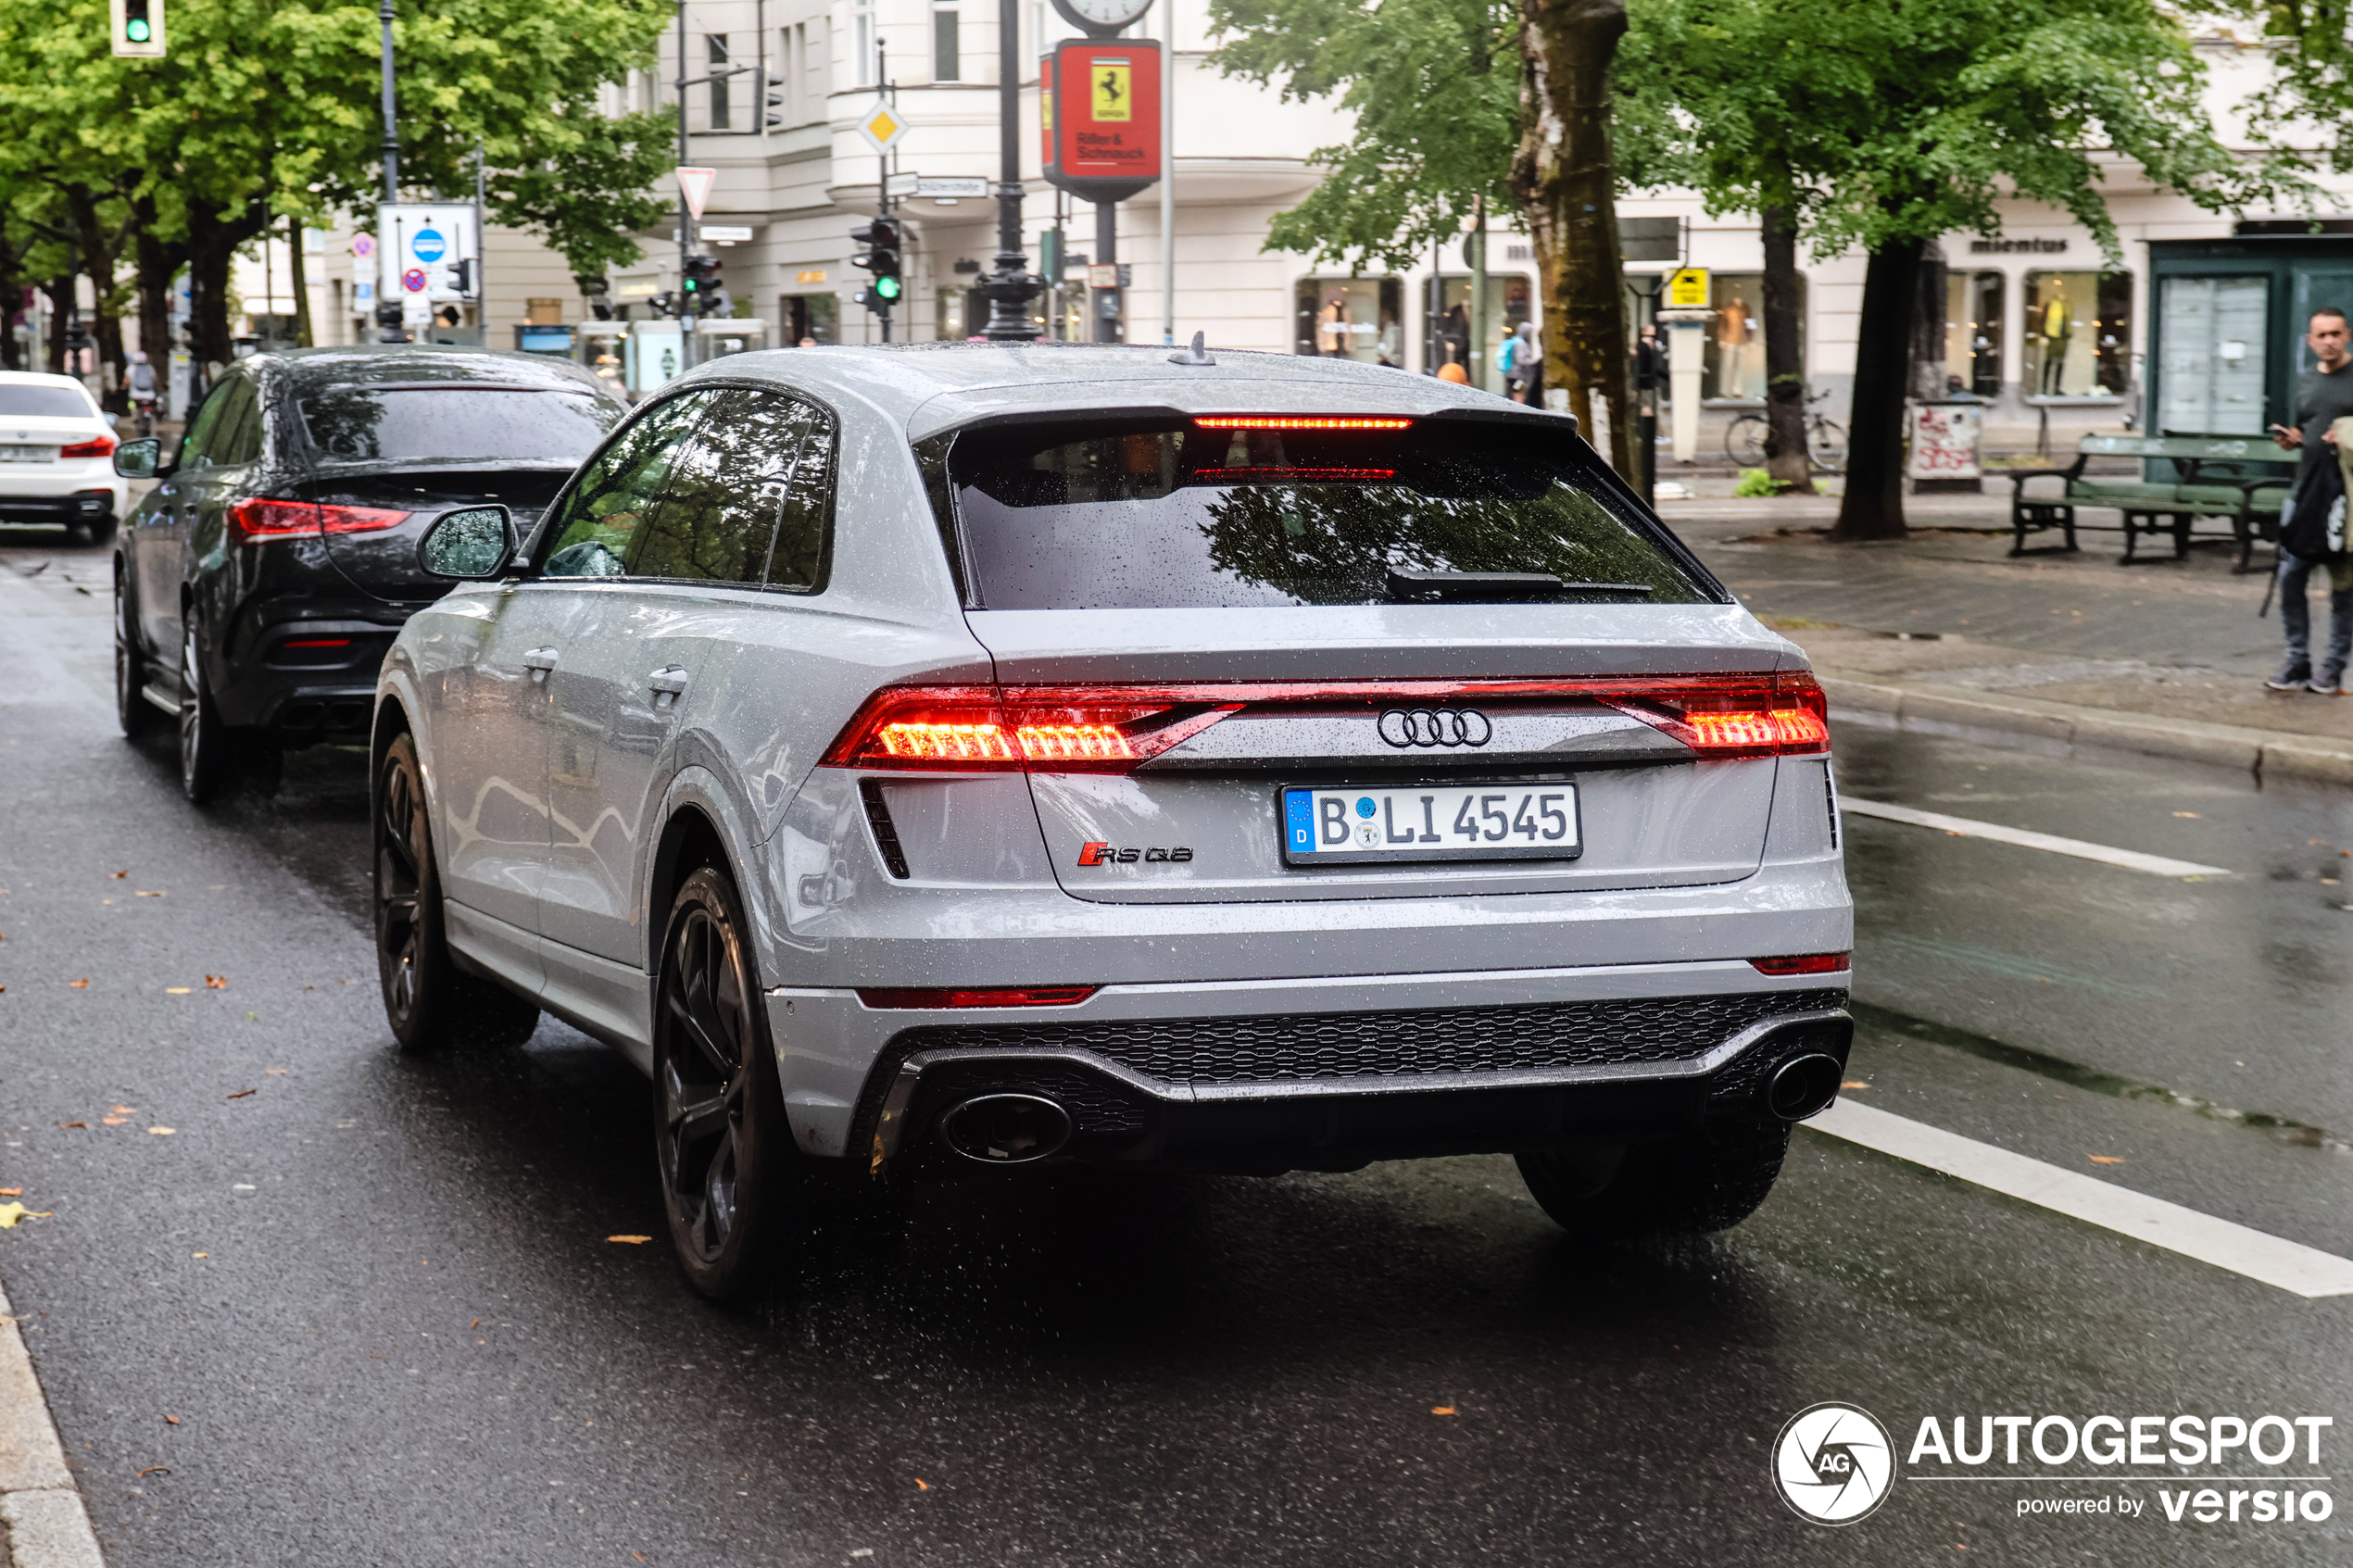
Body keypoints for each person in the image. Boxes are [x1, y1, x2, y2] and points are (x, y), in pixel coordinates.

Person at [2265, 306, 2353, 695]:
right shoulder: (2304, 380)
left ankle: (2332, 669)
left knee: (2344, 585)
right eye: (2322, 335)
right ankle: (2297, 660)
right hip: (2307, 493)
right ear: (2310, 341)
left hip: (2348, 500)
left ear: (2347, 335)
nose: (2329, 341)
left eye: (2336, 334)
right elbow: (2302, 424)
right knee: (2291, 576)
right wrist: (2290, 439)